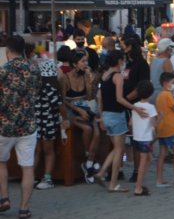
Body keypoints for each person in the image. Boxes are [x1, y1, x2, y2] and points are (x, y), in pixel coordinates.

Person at [92, 50, 148, 193]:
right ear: (119, 61)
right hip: (117, 115)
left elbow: (100, 98)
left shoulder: (104, 76)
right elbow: (119, 98)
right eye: (122, 60)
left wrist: (101, 116)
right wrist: (135, 108)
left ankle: (102, 172)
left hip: (106, 115)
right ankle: (113, 183)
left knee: (116, 148)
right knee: (119, 150)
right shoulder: (118, 77)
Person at [0, 36, 42, 219]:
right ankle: (24, 208)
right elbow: (37, 92)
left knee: (1, 162)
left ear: (8, 51)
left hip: (5, 126)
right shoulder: (33, 71)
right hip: (28, 126)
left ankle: (4, 198)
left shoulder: (3, 72)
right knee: (27, 167)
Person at [61, 49, 99, 183]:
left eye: (86, 61)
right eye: (83, 61)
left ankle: (88, 163)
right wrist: (77, 109)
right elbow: (62, 99)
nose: (86, 64)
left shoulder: (85, 76)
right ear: (75, 63)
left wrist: (90, 81)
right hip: (72, 110)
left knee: (97, 130)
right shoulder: (65, 78)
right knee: (88, 129)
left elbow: (90, 97)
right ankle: (89, 158)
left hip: (85, 107)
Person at [120, 34, 150, 182]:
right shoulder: (128, 64)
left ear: (130, 47)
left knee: (136, 140)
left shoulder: (141, 64)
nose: (122, 48)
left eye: (124, 46)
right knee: (130, 140)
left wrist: (127, 98)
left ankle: (138, 171)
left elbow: (142, 85)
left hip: (136, 105)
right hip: (126, 105)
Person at [33, 59, 66, 190]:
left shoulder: (36, 86)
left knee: (37, 151)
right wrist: (66, 119)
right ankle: (47, 178)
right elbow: (60, 105)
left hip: (36, 123)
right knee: (49, 152)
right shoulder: (51, 88)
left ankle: (30, 176)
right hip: (48, 124)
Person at [132, 80, 158, 196]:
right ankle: (138, 187)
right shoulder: (151, 107)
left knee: (149, 159)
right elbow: (154, 125)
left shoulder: (135, 106)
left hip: (136, 137)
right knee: (143, 163)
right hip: (145, 138)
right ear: (151, 93)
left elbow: (130, 123)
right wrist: (161, 117)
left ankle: (140, 182)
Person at [150, 38, 174, 107]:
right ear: (167, 49)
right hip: (163, 95)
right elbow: (171, 81)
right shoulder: (166, 61)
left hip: (152, 94)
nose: (172, 50)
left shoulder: (153, 60)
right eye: (171, 48)